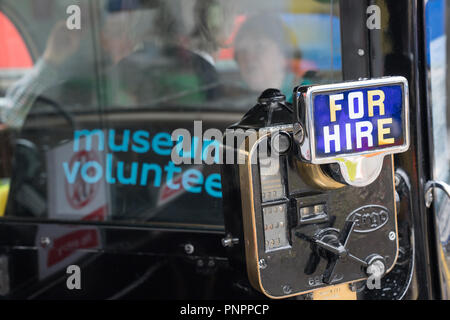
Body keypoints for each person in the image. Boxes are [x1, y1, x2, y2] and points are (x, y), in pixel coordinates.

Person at [233, 14, 311, 103]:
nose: (249, 57)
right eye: (243, 50)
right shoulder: (230, 97)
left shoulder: (307, 96)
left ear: (283, 55)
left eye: (259, 47)